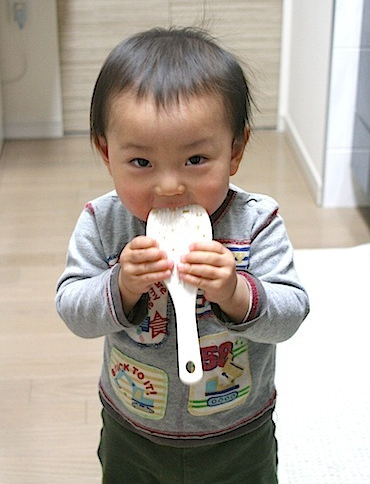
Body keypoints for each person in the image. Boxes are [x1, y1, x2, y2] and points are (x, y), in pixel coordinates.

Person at [56, 27, 309, 483]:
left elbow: (291, 315)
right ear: (106, 152)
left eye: (195, 160)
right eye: (141, 163)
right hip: (133, 426)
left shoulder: (256, 222)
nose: (169, 186)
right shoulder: (103, 222)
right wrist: (120, 285)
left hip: (238, 431)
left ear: (235, 151)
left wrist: (236, 292)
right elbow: (74, 312)